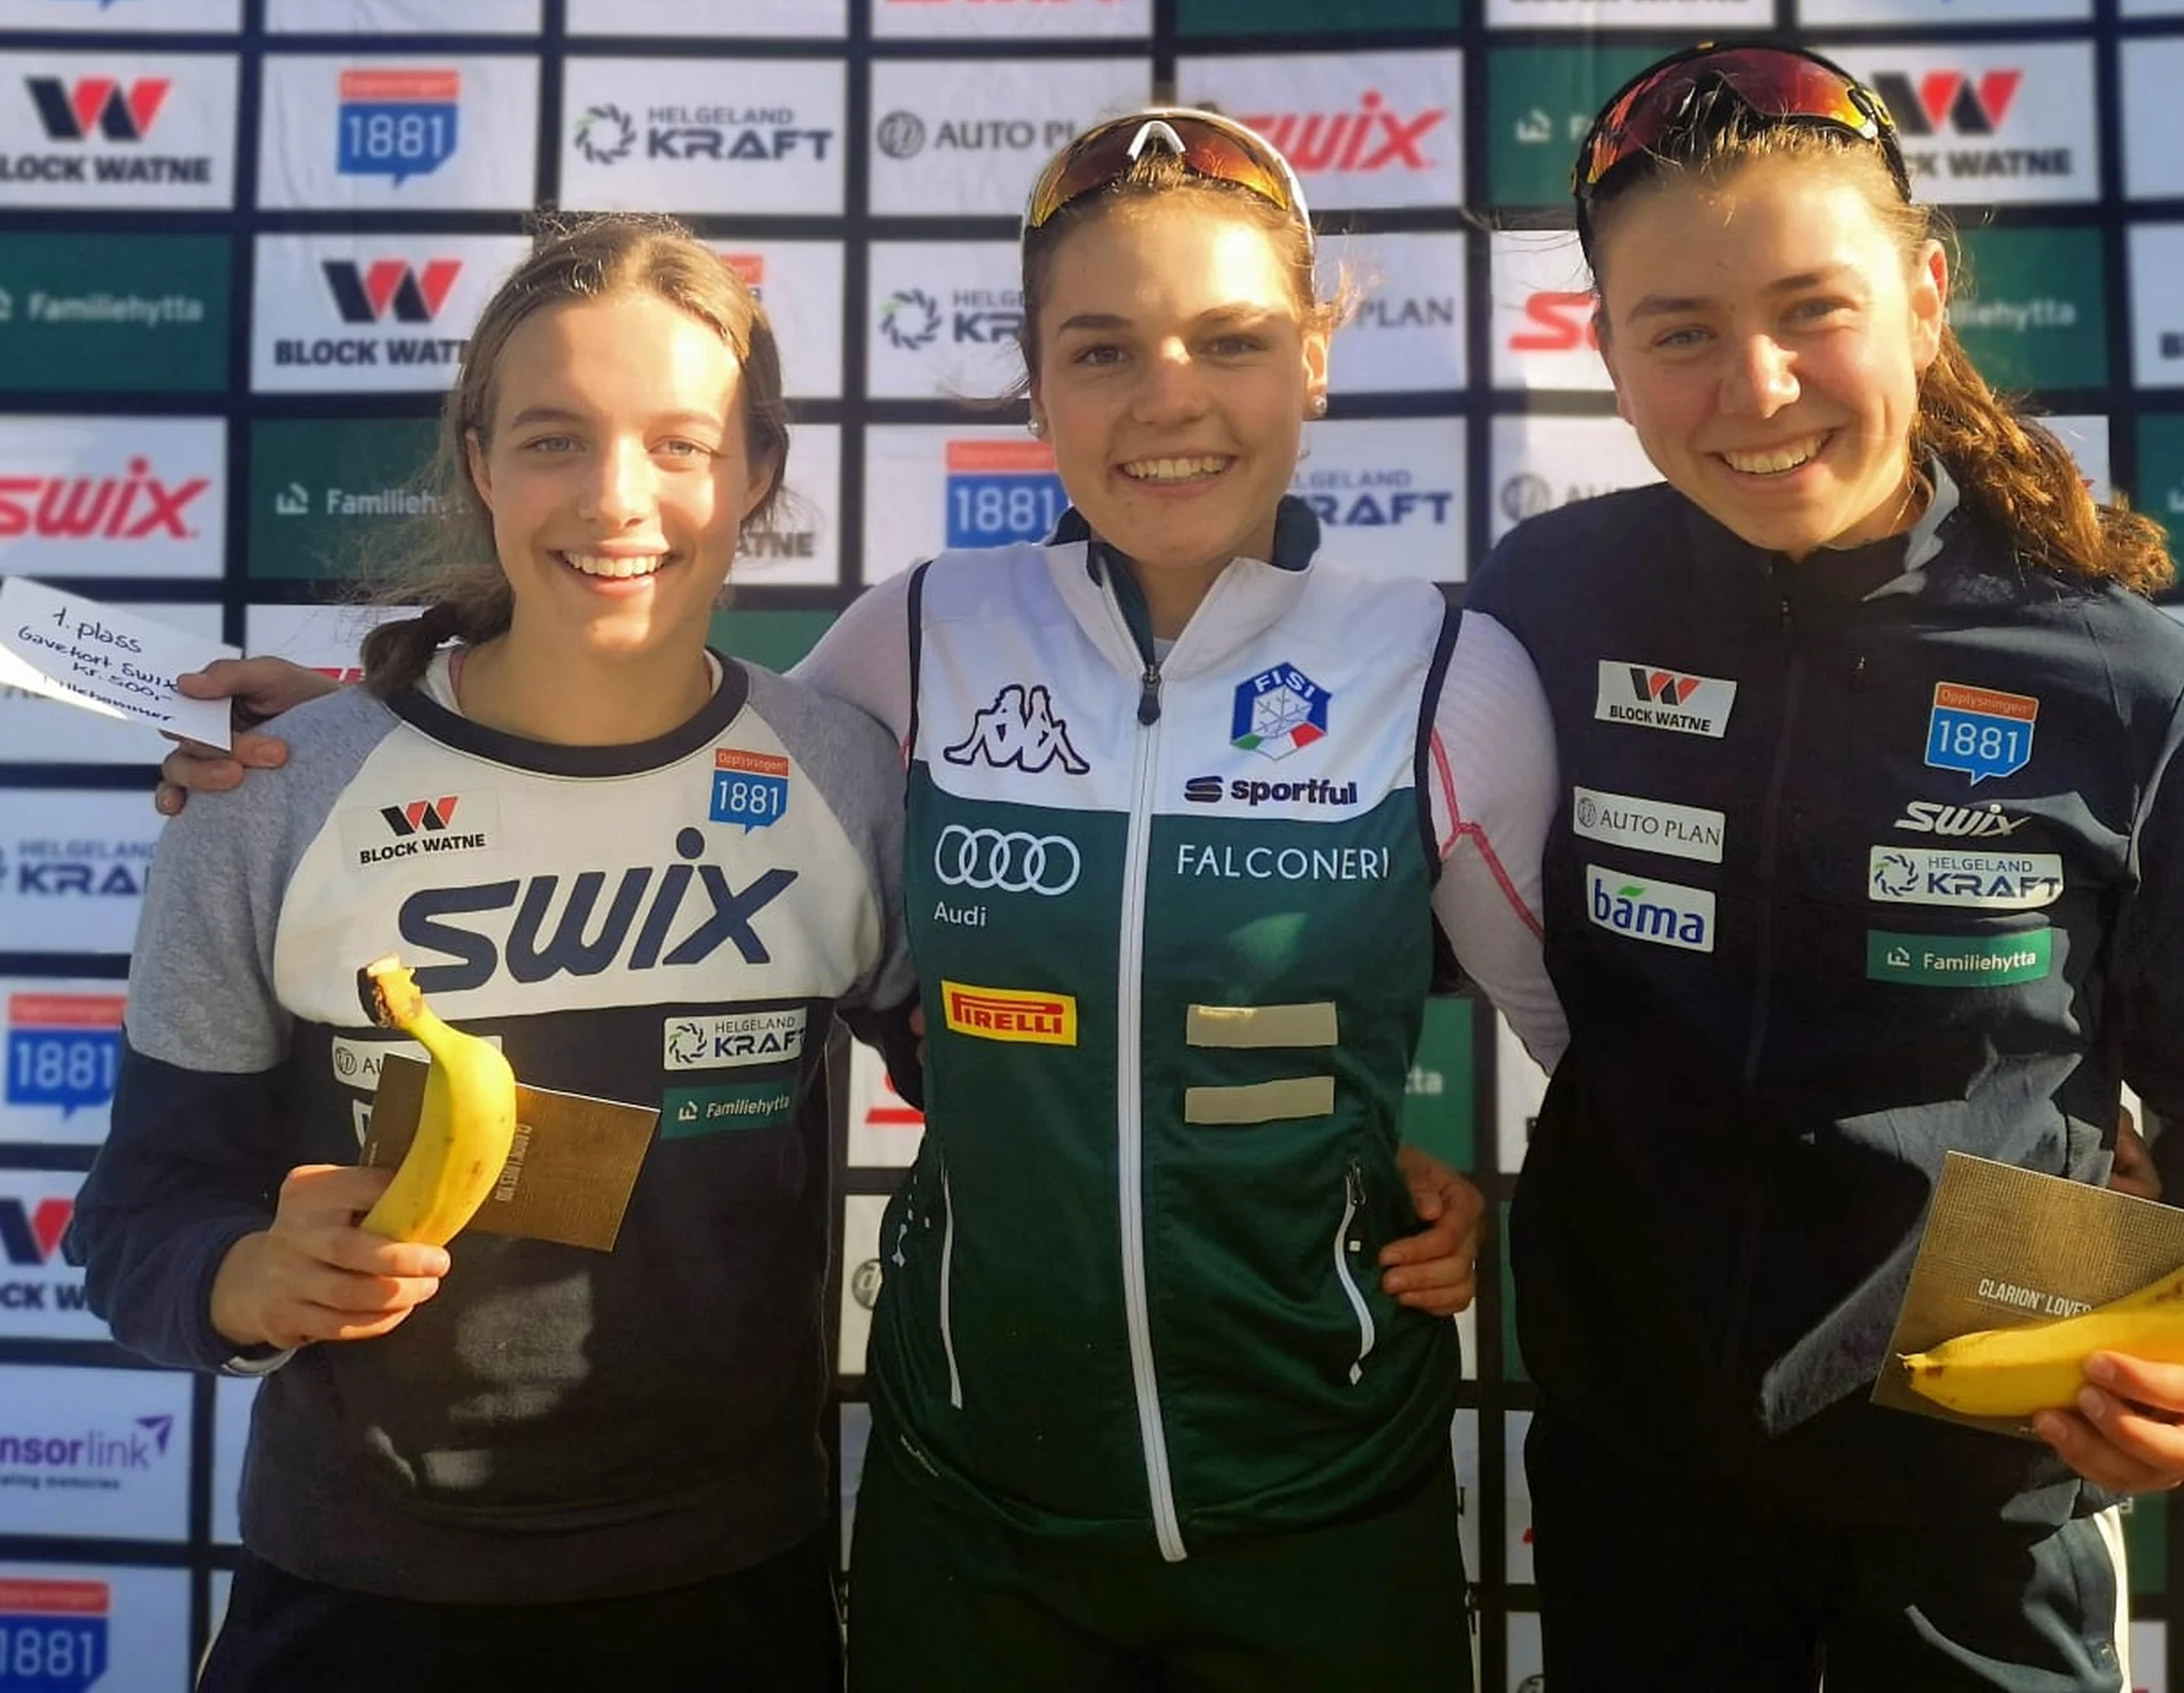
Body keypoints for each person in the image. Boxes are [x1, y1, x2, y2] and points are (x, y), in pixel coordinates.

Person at [154, 113, 1566, 1691]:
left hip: (1319, 1509)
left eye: (1230, 340)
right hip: (958, 1529)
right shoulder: (919, 639)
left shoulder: (1443, 670)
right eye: (1100, 350)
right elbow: (633, 739)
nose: (1168, 397)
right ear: (1034, 385)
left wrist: (1371, 1172)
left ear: (1313, 356)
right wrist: (361, 732)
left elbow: (1600, 1068)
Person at [1463, 44, 2184, 1691]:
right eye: (1681, 332)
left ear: (1924, 300)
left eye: (1815, 310)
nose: (1758, 388)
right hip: (1637, 1493)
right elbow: (1395, 917)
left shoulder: (2127, 678)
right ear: (1608, 355)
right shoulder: (1542, 604)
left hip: (1983, 1509)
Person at [74, 215, 914, 1690]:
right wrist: (245, 1276)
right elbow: (137, 1219)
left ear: (758, 471)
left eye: (680, 443)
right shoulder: (279, 795)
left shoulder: (840, 778)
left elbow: (1022, 1103)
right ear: (478, 462)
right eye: (553, 440)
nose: (615, 497)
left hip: (730, 1592)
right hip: (357, 1598)